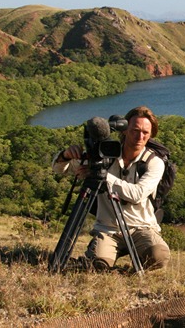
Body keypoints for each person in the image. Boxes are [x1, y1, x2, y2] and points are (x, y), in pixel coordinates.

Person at [51, 106, 171, 271]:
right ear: (124, 130)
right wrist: (65, 155)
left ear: (151, 135)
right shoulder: (104, 155)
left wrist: (102, 176)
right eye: (135, 130)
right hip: (109, 229)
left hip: (142, 228)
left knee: (159, 257)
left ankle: (125, 270)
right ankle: (104, 260)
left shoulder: (154, 162)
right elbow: (59, 169)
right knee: (99, 265)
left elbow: (138, 194)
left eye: (145, 132)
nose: (140, 136)